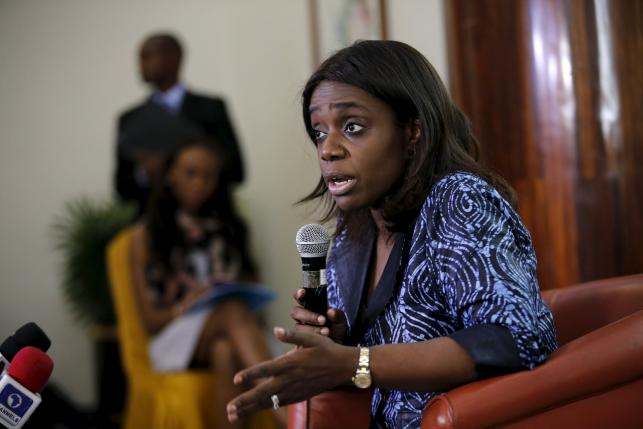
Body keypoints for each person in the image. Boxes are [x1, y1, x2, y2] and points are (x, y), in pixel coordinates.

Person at [225, 40, 558, 428]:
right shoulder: (354, 234)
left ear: (412, 130)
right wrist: (339, 343)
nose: (328, 150)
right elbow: (375, 371)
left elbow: (515, 338)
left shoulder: (457, 201)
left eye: (352, 127)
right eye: (319, 133)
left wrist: (354, 361)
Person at [129, 138, 284, 428]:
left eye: (209, 176)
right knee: (230, 310)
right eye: (190, 173)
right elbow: (149, 321)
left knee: (224, 351)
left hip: (227, 331)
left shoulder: (231, 229)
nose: (200, 183)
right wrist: (188, 305)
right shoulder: (146, 237)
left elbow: (254, 296)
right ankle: (290, 418)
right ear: (170, 176)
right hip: (174, 338)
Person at [115, 33, 244, 213]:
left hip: (209, 218)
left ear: (174, 57)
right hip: (156, 225)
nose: (140, 66)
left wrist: (197, 168)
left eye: (147, 57)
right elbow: (121, 189)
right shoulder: (129, 119)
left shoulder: (212, 108)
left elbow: (238, 171)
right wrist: (144, 174)